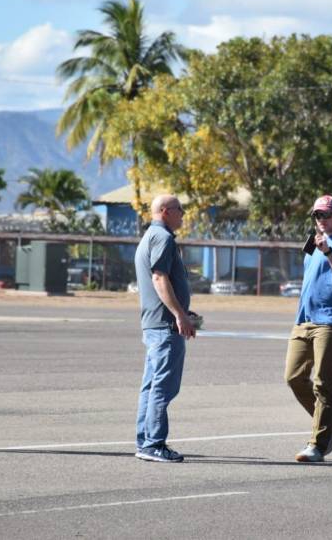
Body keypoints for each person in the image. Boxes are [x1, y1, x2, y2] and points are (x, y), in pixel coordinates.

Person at [285, 195, 332, 462]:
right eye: (317, 215)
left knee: (323, 382)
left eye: (327, 215)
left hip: (331, 321)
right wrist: (320, 249)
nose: (322, 220)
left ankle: (317, 445)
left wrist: (329, 252)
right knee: (294, 377)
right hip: (304, 319)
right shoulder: (313, 243)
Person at [134, 194, 195, 463]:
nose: (183, 214)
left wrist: (183, 311)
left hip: (156, 323)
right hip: (164, 326)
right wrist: (179, 315)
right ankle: (154, 443)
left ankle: (145, 440)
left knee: (151, 385)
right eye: (180, 209)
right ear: (165, 211)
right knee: (163, 385)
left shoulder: (150, 237)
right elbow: (159, 277)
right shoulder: (163, 238)